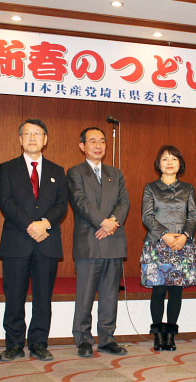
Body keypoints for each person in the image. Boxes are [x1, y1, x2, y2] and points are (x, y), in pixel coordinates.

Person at [0, 119, 68, 362]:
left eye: (38, 134)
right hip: (17, 241)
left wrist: (44, 223)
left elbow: (61, 205)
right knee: (14, 296)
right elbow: (6, 202)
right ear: (20, 139)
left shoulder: (57, 171)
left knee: (43, 297)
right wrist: (31, 225)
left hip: (47, 241)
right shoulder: (7, 168)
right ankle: (14, 344)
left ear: (45, 139)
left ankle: (39, 343)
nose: (32, 138)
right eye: (27, 133)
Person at [68, 127, 130, 357]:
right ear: (82, 146)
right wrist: (103, 223)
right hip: (89, 241)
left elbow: (124, 202)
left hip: (113, 241)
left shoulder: (116, 173)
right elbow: (80, 202)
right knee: (85, 295)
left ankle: (107, 338)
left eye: (102, 141)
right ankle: (83, 339)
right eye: (92, 141)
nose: (98, 145)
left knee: (110, 295)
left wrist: (113, 222)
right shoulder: (75, 172)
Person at [140, 145, 196, 351]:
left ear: (180, 164)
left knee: (176, 291)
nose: (169, 163)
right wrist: (165, 235)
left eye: (174, 159)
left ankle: (171, 334)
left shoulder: (188, 189)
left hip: (182, 245)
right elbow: (147, 216)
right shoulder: (150, 188)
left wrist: (184, 236)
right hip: (158, 245)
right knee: (159, 290)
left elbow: (194, 216)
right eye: (165, 159)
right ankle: (158, 334)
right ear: (158, 164)